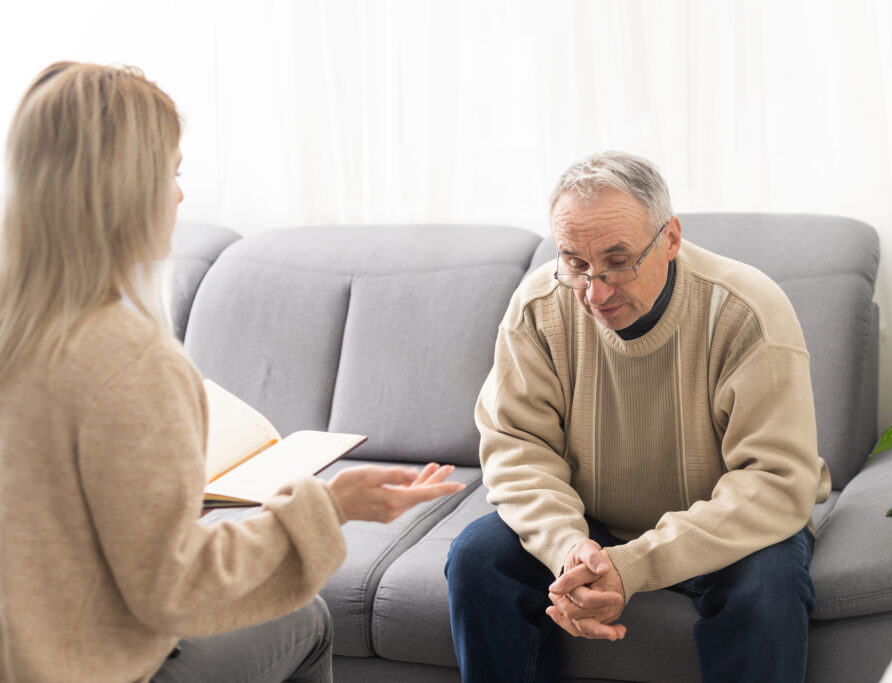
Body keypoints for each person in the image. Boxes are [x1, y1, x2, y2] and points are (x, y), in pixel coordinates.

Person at [0, 62, 465, 683]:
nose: (180, 197)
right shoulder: (129, 362)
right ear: (125, 189)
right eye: (172, 173)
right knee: (308, 618)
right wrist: (330, 505)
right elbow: (179, 588)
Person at [445, 151, 831, 682]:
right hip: (591, 524)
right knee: (477, 557)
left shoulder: (747, 310)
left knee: (768, 589)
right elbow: (516, 447)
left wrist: (634, 565)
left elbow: (775, 482)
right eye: (575, 263)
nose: (595, 292)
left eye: (617, 261)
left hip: (726, 529)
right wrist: (568, 548)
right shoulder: (539, 305)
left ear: (670, 239)